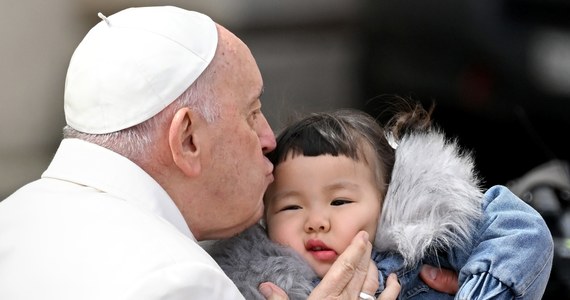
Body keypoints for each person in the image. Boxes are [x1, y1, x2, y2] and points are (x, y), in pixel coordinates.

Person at [0, 5, 404, 300]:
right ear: (188, 138)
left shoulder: (10, 219)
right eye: (252, 113)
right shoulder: (177, 281)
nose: (269, 138)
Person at [208, 101, 554, 299]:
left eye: (340, 201)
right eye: (291, 206)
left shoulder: (422, 255)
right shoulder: (252, 289)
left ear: (387, 201)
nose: (316, 221)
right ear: (265, 217)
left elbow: (521, 233)